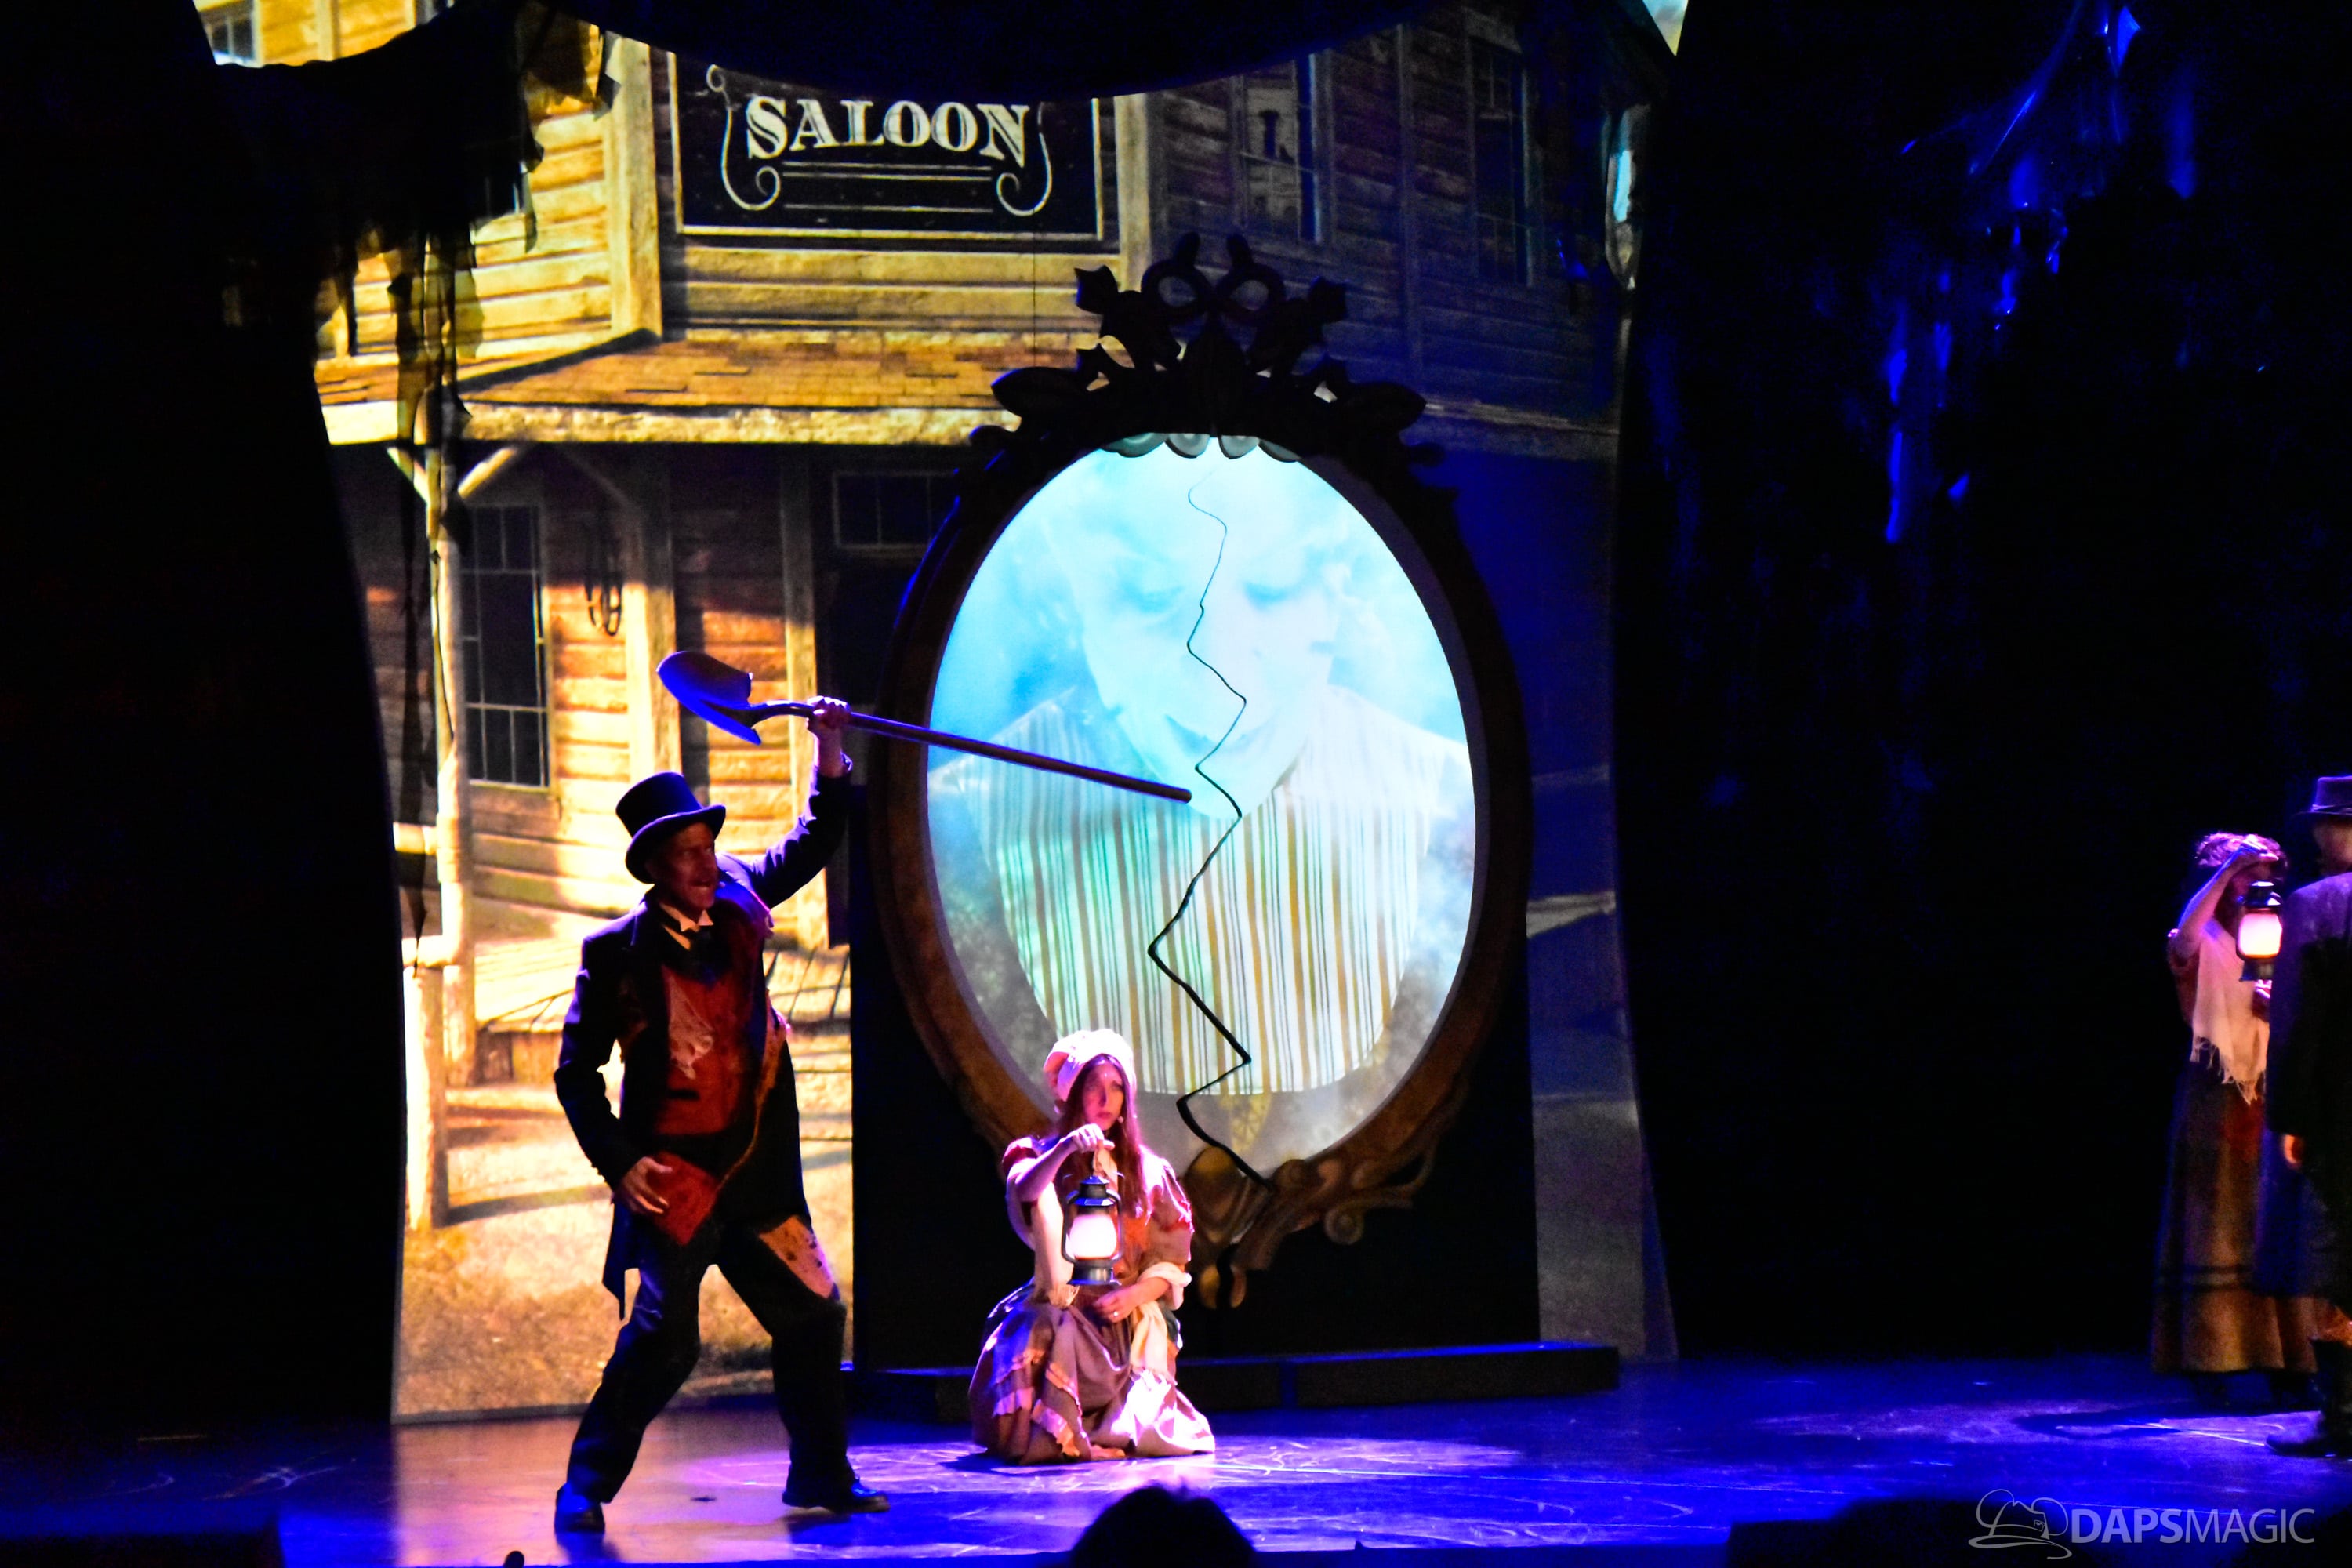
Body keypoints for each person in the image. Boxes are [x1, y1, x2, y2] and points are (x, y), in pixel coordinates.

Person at [549, 702, 885, 1530]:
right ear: (656, 866)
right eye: (689, 854)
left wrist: (830, 746)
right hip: (679, 1181)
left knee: (814, 1312)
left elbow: (813, 840)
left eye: (708, 848)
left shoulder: (738, 899)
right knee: (667, 1339)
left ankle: (820, 1474)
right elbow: (576, 1074)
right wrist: (620, 1161)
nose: (706, 864)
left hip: (757, 1174)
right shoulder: (615, 954)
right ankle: (584, 1484)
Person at [970, 1030, 1215, 1463]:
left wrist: (1133, 1295)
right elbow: (1025, 1189)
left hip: (1120, 1315)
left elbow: (1171, 1259)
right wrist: (1064, 1150)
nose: (1106, 1098)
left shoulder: (1148, 1172)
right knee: (1036, 1327)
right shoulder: (1039, 1154)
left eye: (1116, 1087)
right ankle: (1059, 1439)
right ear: (1073, 1094)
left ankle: (1100, 1426)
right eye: (1093, 1086)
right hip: (1065, 1302)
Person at [2151, 832, 2321, 1403]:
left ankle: (2292, 1362)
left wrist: (2286, 1006)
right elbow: (2184, 939)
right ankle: (2212, 1358)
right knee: (2216, 1220)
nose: (2257, 882)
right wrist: (2227, 870)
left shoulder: (2276, 933)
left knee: (2277, 1219)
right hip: (2217, 1093)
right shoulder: (2205, 938)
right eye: (2246, 873)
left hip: (2274, 1090)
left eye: (2264, 872)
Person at [2263, 776, 2352, 1456]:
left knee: (2334, 1258)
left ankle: (2343, 1414)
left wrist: (2290, 1116)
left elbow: (2297, 1025)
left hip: (2339, 1113)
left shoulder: (2318, 904)